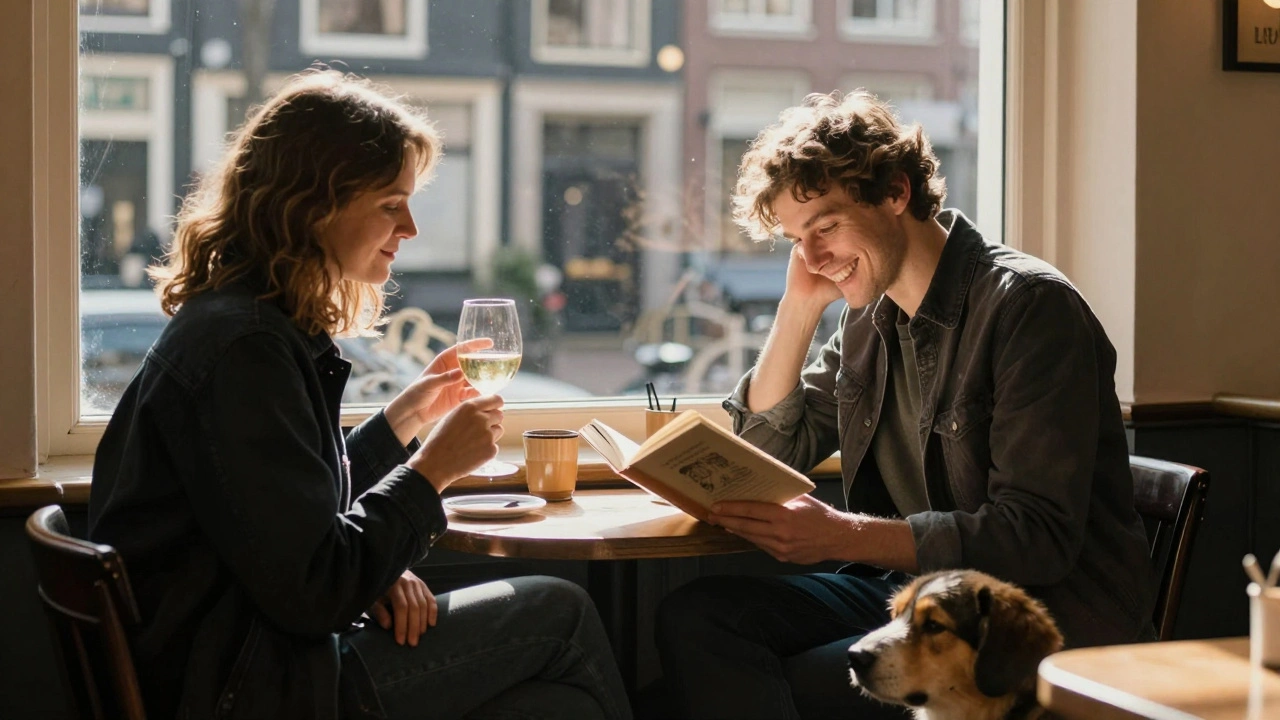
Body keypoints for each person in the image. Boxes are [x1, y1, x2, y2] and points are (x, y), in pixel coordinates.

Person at [88, 70, 631, 720]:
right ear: (312, 206)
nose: (411, 228)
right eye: (390, 204)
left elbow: (285, 512)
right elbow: (317, 588)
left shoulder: (239, 323)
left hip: (248, 659)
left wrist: (405, 418)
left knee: (553, 703)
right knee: (560, 615)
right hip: (254, 685)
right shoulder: (246, 350)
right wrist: (430, 471)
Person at [654, 91, 1154, 720]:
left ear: (896, 192)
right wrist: (798, 308)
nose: (811, 258)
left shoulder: (1028, 308)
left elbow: (1036, 538)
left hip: (1019, 622)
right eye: (796, 239)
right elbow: (768, 453)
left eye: (826, 227)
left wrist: (841, 534)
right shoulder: (870, 317)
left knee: (804, 681)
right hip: (914, 599)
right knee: (697, 618)